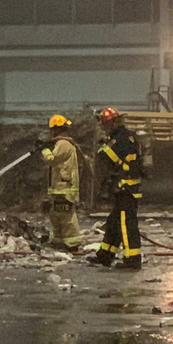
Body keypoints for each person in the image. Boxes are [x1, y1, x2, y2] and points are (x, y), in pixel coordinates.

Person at [91, 108, 144, 269]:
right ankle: (105, 255)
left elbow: (105, 156)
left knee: (126, 225)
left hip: (125, 189)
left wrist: (101, 143)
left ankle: (132, 260)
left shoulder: (120, 139)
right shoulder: (127, 136)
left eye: (106, 125)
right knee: (114, 222)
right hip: (126, 188)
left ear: (114, 123)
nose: (105, 129)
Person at [39, 115, 83, 250]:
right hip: (60, 186)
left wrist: (44, 150)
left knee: (66, 216)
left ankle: (73, 243)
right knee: (56, 215)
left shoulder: (63, 144)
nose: (51, 133)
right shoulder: (62, 143)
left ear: (57, 130)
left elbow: (52, 159)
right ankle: (59, 241)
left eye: (52, 130)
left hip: (64, 187)